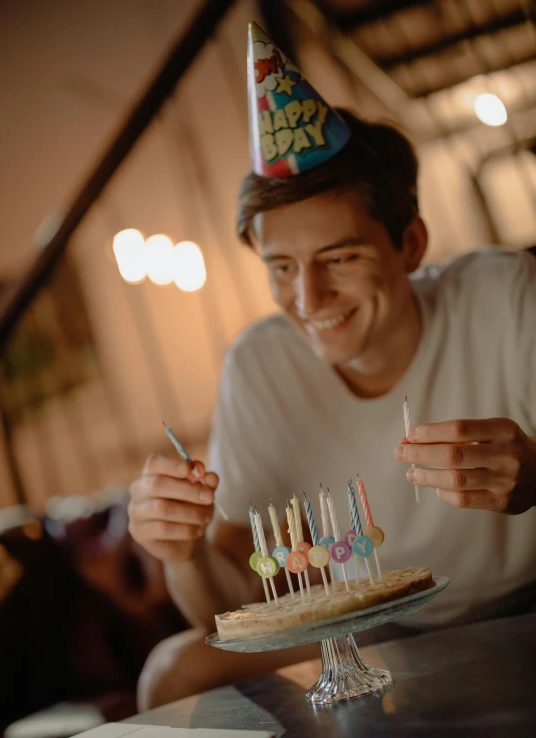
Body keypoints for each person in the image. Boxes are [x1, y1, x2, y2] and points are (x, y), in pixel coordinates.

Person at [128, 22, 536, 709]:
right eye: (281, 267)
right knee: (174, 671)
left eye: (340, 259)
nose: (307, 300)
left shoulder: (505, 294)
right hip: (370, 627)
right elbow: (230, 614)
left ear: (410, 244)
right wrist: (186, 554)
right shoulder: (259, 367)